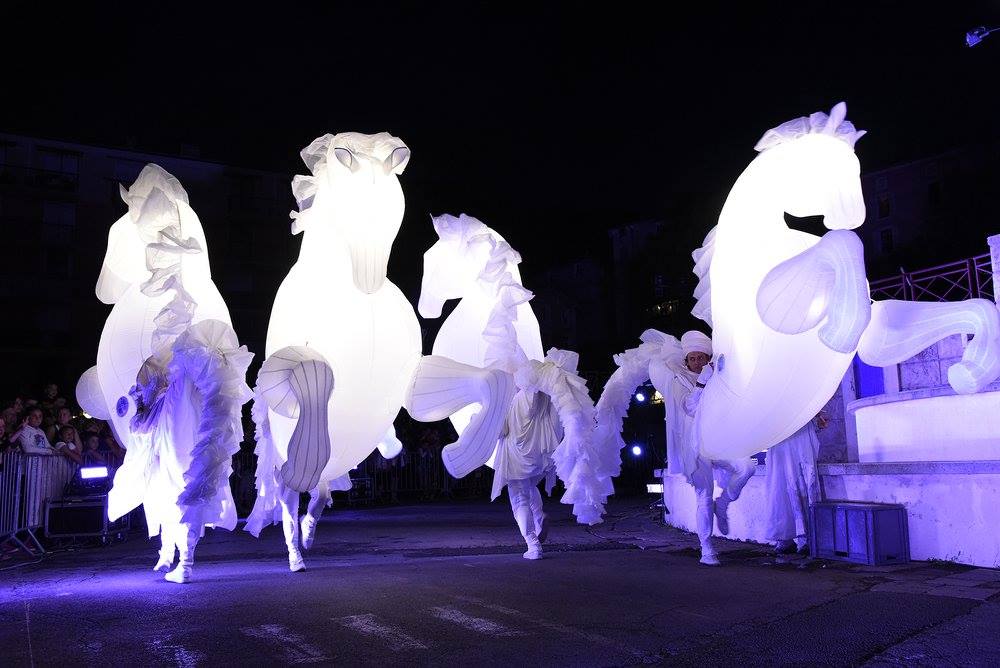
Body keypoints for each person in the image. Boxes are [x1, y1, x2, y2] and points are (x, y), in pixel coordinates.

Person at [660, 330, 755, 566]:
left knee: (747, 466)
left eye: (701, 357)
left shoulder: (718, 376)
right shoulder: (679, 380)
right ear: (687, 360)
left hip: (719, 439)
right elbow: (689, 408)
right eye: (692, 358)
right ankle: (707, 548)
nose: (696, 362)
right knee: (703, 496)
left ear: (707, 358)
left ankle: (723, 504)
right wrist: (702, 381)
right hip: (694, 446)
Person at [764, 412, 828, 554]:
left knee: (801, 482)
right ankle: (784, 538)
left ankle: (806, 538)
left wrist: (817, 418)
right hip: (779, 436)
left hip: (799, 432)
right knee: (780, 485)